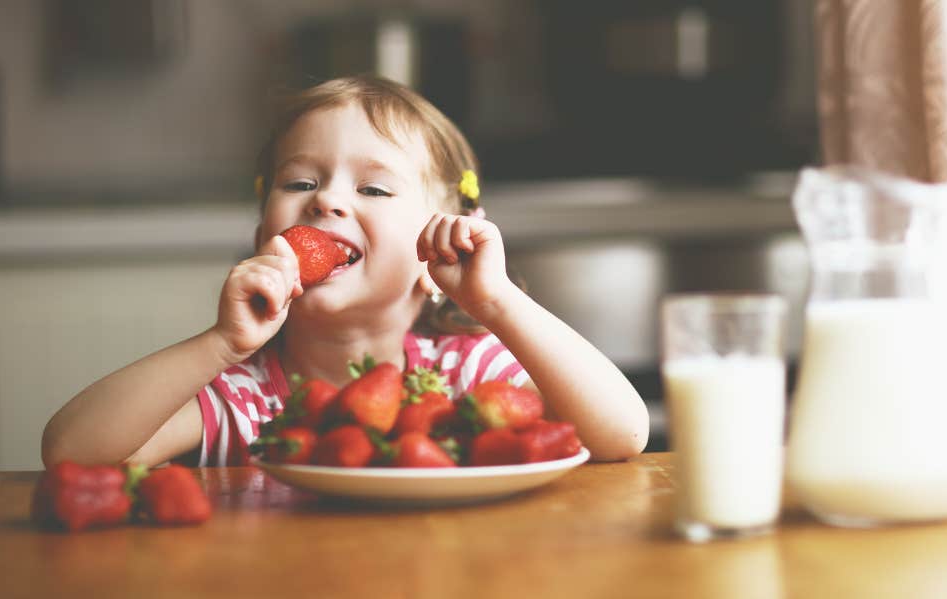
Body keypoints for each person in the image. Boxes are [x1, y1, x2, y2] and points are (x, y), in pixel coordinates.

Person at [42, 75, 649, 468]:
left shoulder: (467, 372)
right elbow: (72, 453)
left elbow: (622, 435)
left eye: (374, 189)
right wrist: (221, 344)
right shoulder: (244, 396)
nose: (326, 201)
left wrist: (496, 304)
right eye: (300, 182)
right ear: (261, 238)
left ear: (437, 251)